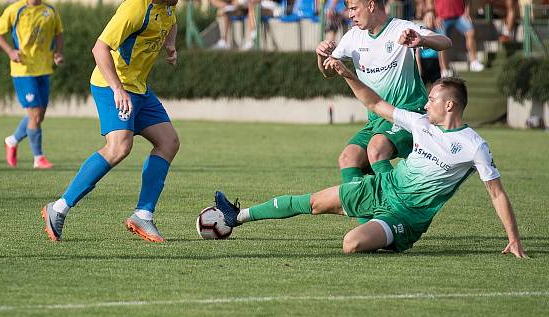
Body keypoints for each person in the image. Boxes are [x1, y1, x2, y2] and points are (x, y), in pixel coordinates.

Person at [215, 73, 526, 258]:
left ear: (449, 105)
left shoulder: (473, 146)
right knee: (311, 202)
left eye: (432, 99)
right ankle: (237, 216)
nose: (426, 103)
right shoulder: (420, 123)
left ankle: (386, 231)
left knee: (351, 244)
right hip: (380, 188)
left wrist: (513, 238)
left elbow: (496, 193)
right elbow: (376, 104)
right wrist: (346, 73)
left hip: (408, 215)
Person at [41, 0, 189, 243]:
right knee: (119, 147)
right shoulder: (135, 7)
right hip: (112, 85)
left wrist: (170, 46)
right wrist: (118, 89)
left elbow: (170, 23)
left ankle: (143, 216)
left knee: (169, 142)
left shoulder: (169, 6)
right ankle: (57, 208)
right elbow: (99, 49)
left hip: (139, 88)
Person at [316, 0, 451, 219]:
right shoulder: (352, 38)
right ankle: (367, 221)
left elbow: (445, 42)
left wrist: (423, 40)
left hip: (410, 113)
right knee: (348, 158)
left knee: (376, 149)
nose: (350, 15)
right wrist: (321, 55)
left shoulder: (401, 28)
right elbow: (327, 71)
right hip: (377, 119)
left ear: (370, 5)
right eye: (348, 9)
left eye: (353, 8)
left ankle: (396, 212)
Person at [0, 0, 64, 169]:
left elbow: (59, 33)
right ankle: (38, 158)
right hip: (23, 69)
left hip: (44, 68)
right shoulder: (15, 10)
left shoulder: (50, 11)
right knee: (34, 116)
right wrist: (10, 52)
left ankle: (12, 140)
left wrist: (58, 53)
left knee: (39, 115)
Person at [425, 0, 484, 75]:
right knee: (440, 41)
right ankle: (444, 69)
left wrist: (467, 11)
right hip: (442, 18)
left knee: (471, 32)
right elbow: (429, 1)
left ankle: (473, 61)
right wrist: (434, 15)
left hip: (459, 16)